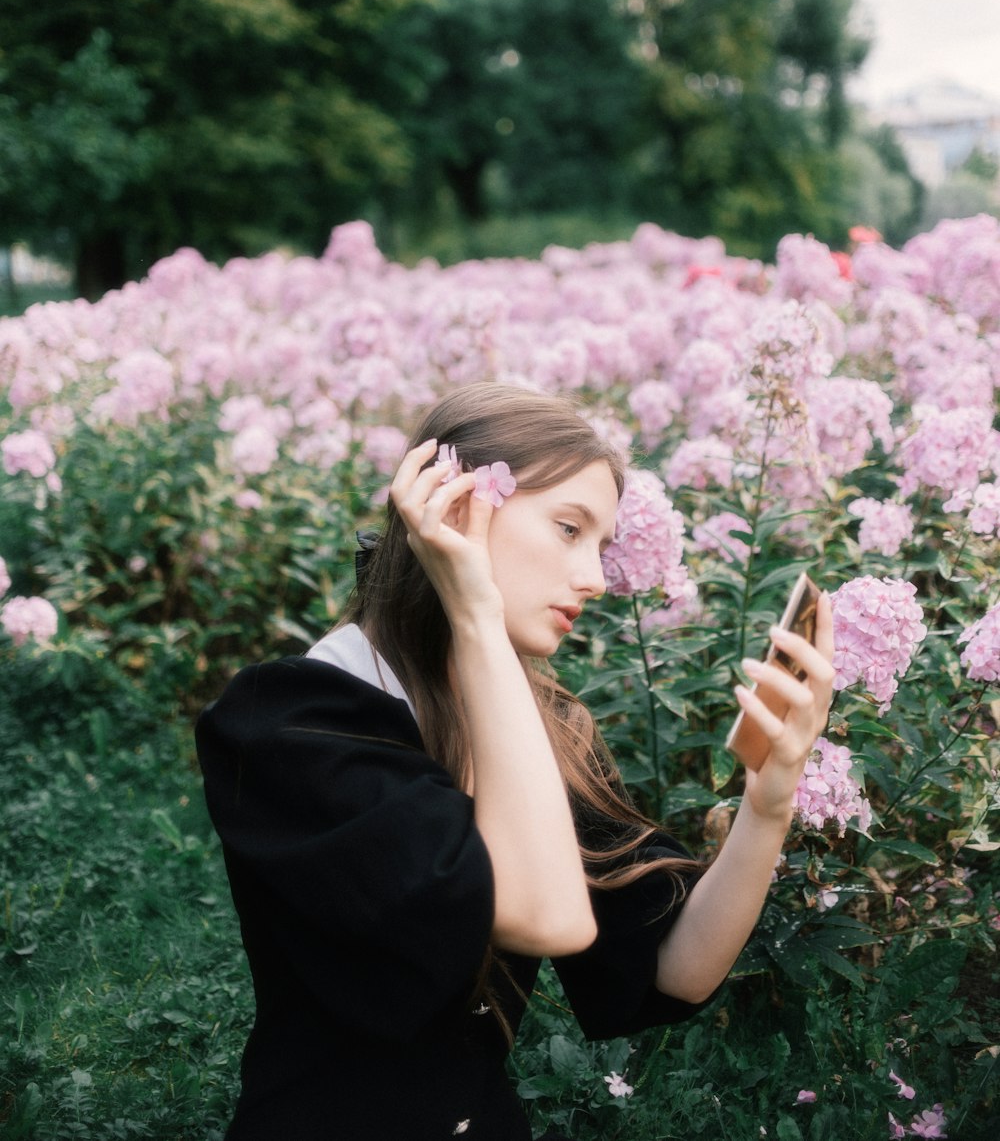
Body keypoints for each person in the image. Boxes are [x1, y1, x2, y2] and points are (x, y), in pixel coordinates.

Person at [196, 382, 834, 1140]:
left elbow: (674, 968)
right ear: (456, 506)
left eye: (601, 545)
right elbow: (547, 916)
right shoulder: (290, 724)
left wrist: (768, 804)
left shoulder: (544, 728)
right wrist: (474, 612)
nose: (596, 579)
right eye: (569, 529)